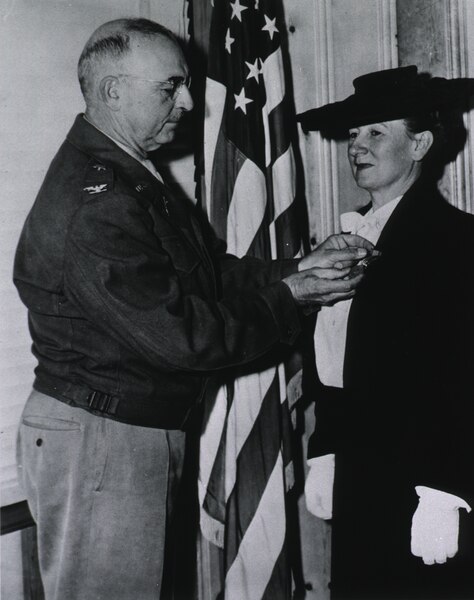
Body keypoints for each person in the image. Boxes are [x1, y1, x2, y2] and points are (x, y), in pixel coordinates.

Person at [13, 18, 373, 600]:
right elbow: (185, 337)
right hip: (102, 441)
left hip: (127, 431)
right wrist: (291, 299)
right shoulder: (97, 203)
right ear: (113, 91)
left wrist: (298, 268)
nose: (188, 102)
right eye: (170, 87)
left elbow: (207, 274)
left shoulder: (132, 176)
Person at [298, 65, 474, 600]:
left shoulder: (455, 241)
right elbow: (337, 361)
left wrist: (445, 489)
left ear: (419, 143)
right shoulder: (348, 239)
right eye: (353, 134)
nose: (358, 146)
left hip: (421, 479)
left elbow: (461, 379)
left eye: (377, 132)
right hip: (359, 471)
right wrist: (324, 449)